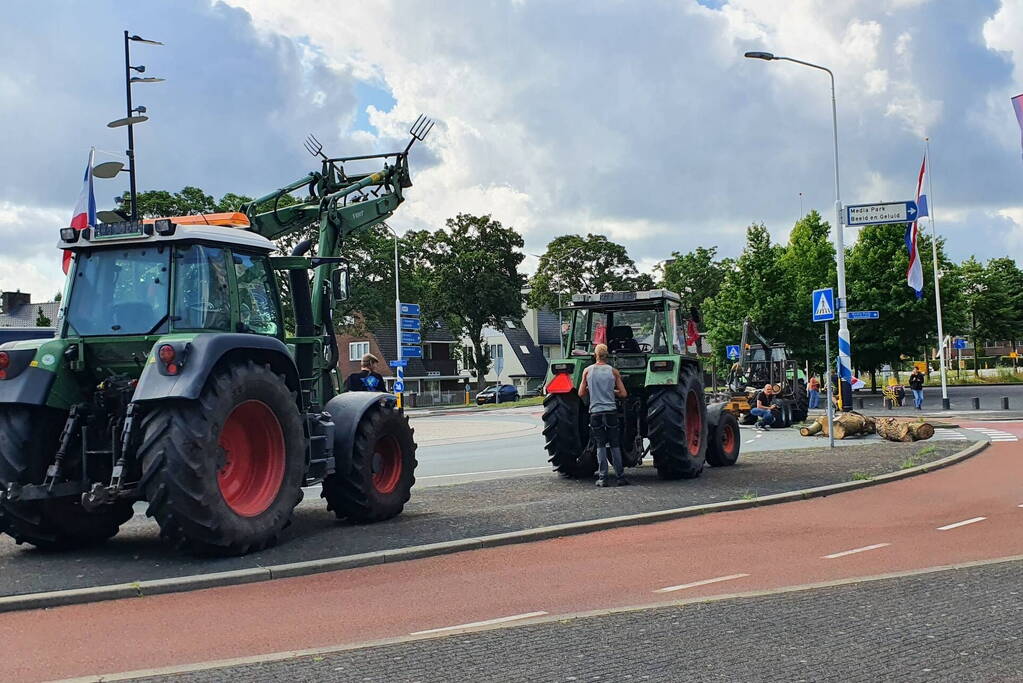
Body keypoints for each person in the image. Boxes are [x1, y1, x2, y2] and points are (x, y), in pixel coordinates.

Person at [578, 343, 629, 487]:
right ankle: (620, 477)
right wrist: (612, 392)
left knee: (600, 445)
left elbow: (581, 393)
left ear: (595, 355)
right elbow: (624, 394)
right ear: (607, 355)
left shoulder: (587, 371)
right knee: (614, 444)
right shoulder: (613, 372)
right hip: (611, 412)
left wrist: (591, 389)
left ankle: (603, 478)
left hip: (595, 413)